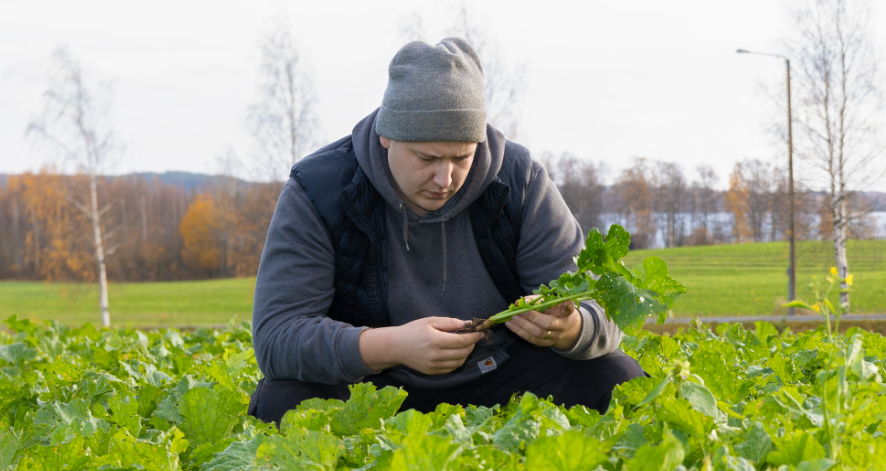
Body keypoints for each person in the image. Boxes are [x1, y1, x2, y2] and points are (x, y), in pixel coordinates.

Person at [247, 37, 645, 425]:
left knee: (616, 378)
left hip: (502, 377)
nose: (445, 178)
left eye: (462, 157)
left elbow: (602, 308)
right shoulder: (319, 191)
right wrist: (390, 346)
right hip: (374, 387)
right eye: (427, 158)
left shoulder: (521, 180)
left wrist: (568, 328)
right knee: (284, 399)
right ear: (386, 136)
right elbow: (277, 335)